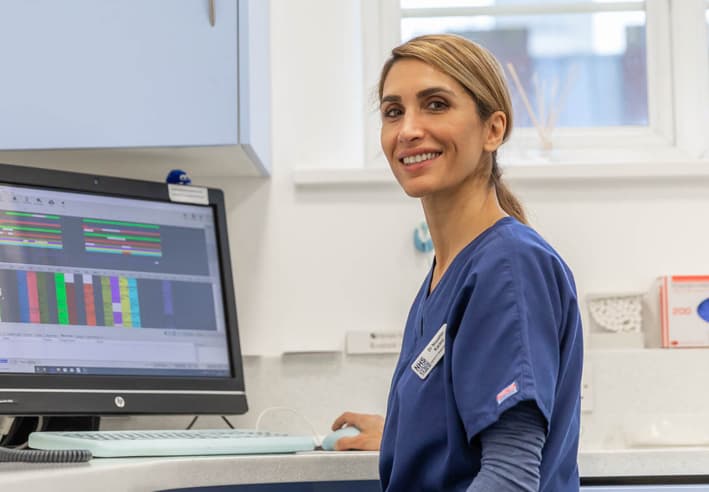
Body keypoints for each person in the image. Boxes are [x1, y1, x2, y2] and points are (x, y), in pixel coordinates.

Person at [330, 34, 583, 491]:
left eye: (436, 105)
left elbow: (511, 476)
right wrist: (403, 434)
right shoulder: (451, 272)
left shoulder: (508, 264)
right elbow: (469, 426)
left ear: (493, 130)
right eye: (393, 111)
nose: (408, 129)